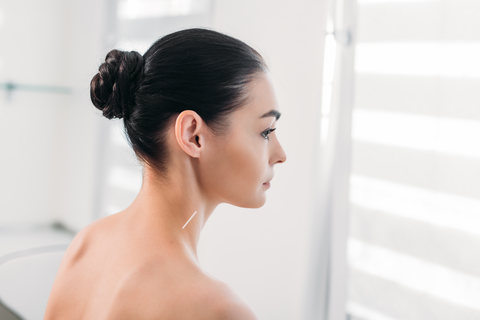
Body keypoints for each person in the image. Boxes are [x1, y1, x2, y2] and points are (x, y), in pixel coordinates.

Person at [44, 28, 286, 319]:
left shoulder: (87, 243)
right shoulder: (216, 309)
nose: (280, 154)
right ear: (193, 135)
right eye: (266, 131)